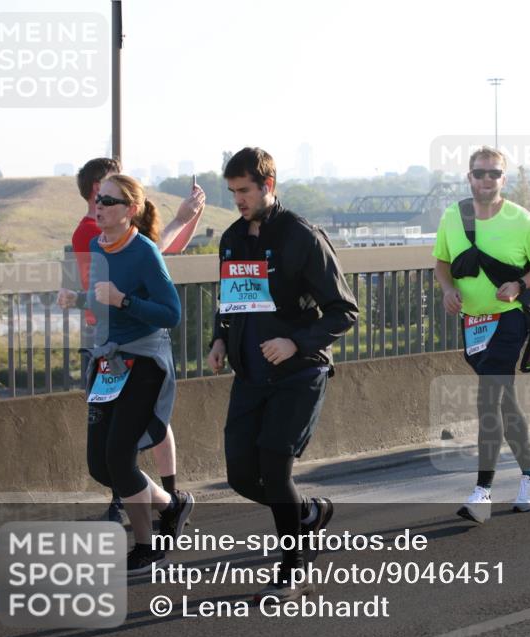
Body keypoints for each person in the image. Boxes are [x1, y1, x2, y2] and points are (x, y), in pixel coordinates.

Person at [207, 147, 357, 602]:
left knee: (274, 470)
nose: (238, 199)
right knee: (239, 475)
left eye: (245, 190)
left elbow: (344, 311)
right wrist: (219, 339)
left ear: (268, 185)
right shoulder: (232, 238)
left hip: (298, 372)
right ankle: (307, 513)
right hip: (250, 375)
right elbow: (231, 302)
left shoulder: (302, 236)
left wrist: (296, 341)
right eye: (232, 192)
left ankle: (293, 570)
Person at [58, 174, 194, 575]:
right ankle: (171, 505)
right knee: (100, 466)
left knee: (119, 456)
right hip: (109, 362)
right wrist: (78, 299)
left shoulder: (145, 251)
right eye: (99, 199)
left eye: (110, 201)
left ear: (131, 209)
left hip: (146, 361)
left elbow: (171, 313)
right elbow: (105, 303)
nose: (100, 206)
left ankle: (146, 545)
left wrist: (125, 299)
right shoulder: (98, 247)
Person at [433, 147, 530, 524]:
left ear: (503, 179)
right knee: (503, 400)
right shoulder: (453, 216)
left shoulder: (521, 219)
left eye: (494, 174)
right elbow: (441, 261)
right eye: (479, 173)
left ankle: (482, 490)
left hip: (510, 318)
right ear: (468, 178)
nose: (486, 180)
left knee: (489, 396)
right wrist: (446, 290)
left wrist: (520, 284)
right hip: (473, 322)